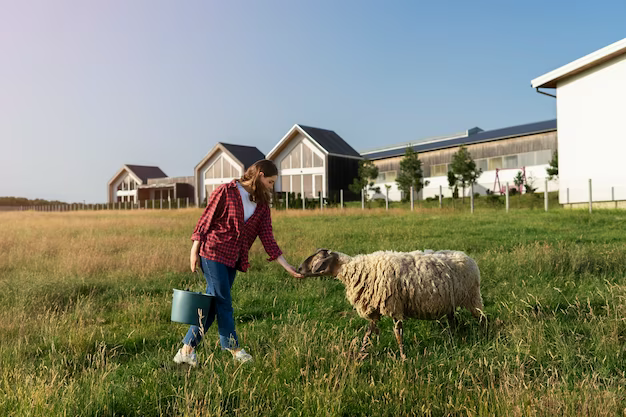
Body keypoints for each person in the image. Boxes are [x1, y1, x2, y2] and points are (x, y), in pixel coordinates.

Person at [174, 159, 303, 366]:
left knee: (213, 304)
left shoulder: (262, 205)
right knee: (224, 301)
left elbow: (267, 237)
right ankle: (234, 349)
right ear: (260, 175)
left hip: (233, 258)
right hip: (212, 252)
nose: (272, 187)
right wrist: (194, 250)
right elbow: (206, 220)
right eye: (270, 182)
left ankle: (186, 350)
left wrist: (287, 266)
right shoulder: (227, 191)